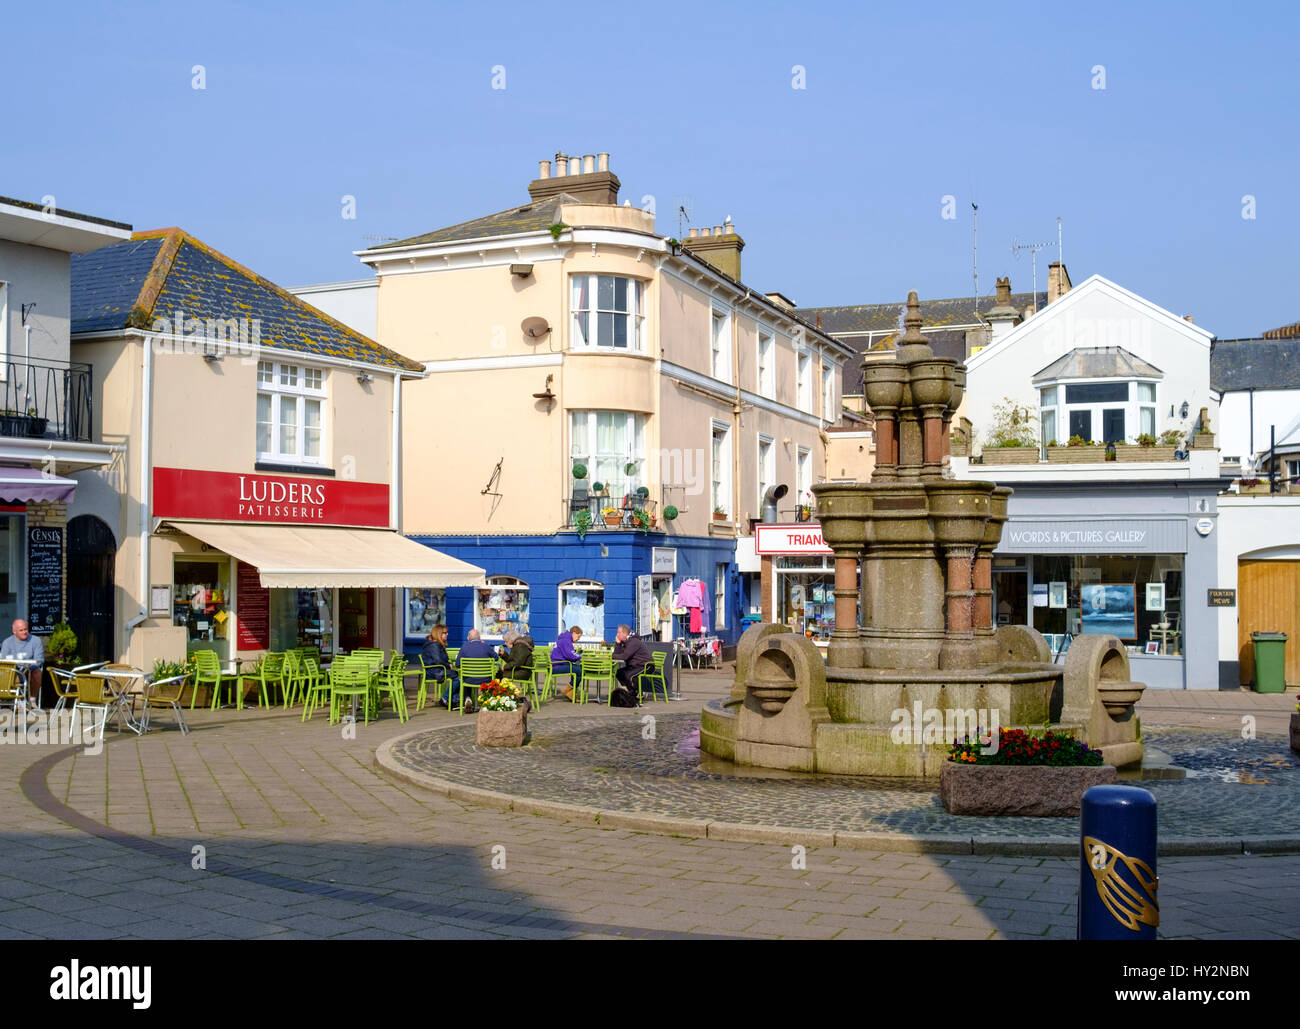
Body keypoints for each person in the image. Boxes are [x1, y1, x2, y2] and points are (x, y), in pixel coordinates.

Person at [1, 619, 44, 708]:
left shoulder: (35, 640)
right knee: (10, 673)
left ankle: (32, 700)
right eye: (21, 630)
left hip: (30, 668)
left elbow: (39, 660)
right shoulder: (7, 642)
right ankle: (16, 700)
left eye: (26, 629)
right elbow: (3, 661)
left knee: (37, 673)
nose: (24, 632)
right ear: (14, 631)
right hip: (13, 670)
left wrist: (27, 667)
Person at [456, 629, 497, 712]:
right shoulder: (486, 646)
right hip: (485, 678)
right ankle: (486, 701)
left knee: (466, 676)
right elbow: (496, 658)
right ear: (479, 637)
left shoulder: (464, 647)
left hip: (469, 679)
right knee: (482, 677)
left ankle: (468, 698)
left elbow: (457, 664)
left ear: (469, 638)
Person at [611, 624, 650, 707]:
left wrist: (611, 656)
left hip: (645, 665)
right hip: (634, 665)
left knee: (630, 675)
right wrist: (618, 643)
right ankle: (632, 691)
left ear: (624, 634)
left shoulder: (633, 642)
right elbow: (618, 654)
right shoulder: (624, 642)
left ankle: (637, 693)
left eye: (618, 632)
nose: (617, 634)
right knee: (619, 673)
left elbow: (625, 656)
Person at [420, 624, 458, 709]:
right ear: (439, 634)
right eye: (445, 633)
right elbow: (438, 660)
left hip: (434, 670)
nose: (447, 634)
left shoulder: (435, 644)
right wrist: (448, 665)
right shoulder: (434, 645)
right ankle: (446, 698)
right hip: (435, 672)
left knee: (457, 675)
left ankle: (452, 700)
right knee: (458, 678)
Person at [550, 626, 583, 701]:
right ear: (574, 633)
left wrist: (576, 655)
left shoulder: (564, 639)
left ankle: (571, 692)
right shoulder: (566, 641)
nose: (578, 639)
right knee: (579, 670)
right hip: (557, 666)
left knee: (576, 669)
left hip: (555, 665)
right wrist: (580, 656)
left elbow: (568, 655)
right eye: (578, 636)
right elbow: (570, 655)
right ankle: (567, 690)